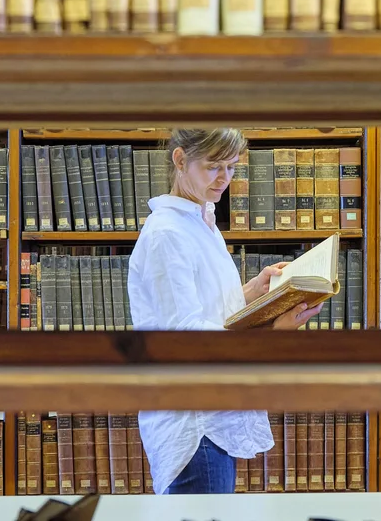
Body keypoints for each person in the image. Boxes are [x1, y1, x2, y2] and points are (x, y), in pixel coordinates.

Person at [128, 128, 325, 495]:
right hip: (194, 422)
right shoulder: (167, 233)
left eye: (232, 167)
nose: (224, 179)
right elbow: (184, 333)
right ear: (180, 160)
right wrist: (270, 336)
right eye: (214, 167)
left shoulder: (201, 222)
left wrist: (254, 292)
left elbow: (208, 307)